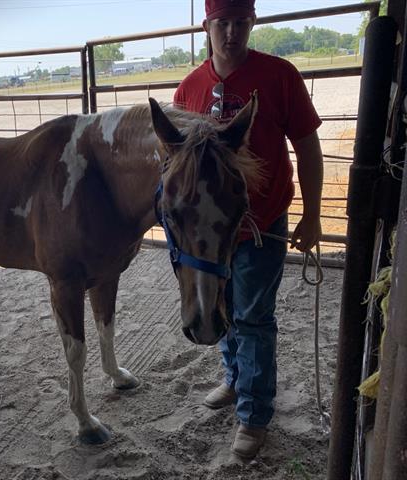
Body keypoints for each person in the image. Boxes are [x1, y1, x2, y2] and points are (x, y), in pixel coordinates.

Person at [173, 0, 324, 461]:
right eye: (223, 23)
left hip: (262, 225)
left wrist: (312, 213)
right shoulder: (189, 89)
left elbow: (307, 146)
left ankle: (254, 413)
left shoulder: (280, 75)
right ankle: (236, 379)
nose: (232, 32)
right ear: (208, 26)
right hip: (210, 238)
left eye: (241, 22)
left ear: (252, 23)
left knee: (254, 317)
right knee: (222, 306)